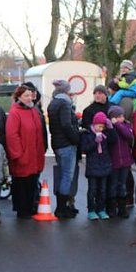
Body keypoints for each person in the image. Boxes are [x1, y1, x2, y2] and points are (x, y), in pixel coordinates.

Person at [5, 86, 46, 219]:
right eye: (26, 96)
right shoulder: (15, 113)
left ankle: (30, 207)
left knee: (32, 182)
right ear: (19, 97)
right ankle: (22, 209)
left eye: (30, 95)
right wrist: (18, 154)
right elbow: (12, 135)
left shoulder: (33, 110)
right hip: (23, 154)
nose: (29, 98)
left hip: (34, 154)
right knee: (21, 183)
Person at [48, 79, 80, 218]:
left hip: (57, 143)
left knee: (62, 175)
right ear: (66, 90)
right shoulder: (65, 103)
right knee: (67, 176)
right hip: (66, 144)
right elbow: (66, 125)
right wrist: (76, 138)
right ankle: (62, 208)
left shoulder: (53, 102)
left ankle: (62, 207)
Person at [80, 112, 114, 219]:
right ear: (94, 124)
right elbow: (85, 149)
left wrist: (111, 129)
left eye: (103, 127)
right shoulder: (87, 134)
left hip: (104, 165)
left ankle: (101, 209)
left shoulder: (105, 135)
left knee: (102, 190)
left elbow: (114, 141)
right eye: (99, 126)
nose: (101, 129)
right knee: (92, 190)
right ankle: (91, 210)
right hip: (92, 167)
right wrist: (95, 142)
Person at [106, 106, 134, 219]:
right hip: (113, 160)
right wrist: (113, 126)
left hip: (125, 160)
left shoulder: (126, 125)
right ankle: (112, 207)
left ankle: (122, 208)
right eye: (119, 116)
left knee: (122, 185)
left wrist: (118, 124)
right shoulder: (109, 127)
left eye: (122, 116)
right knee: (113, 185)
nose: (122, 118)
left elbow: (128, 135)